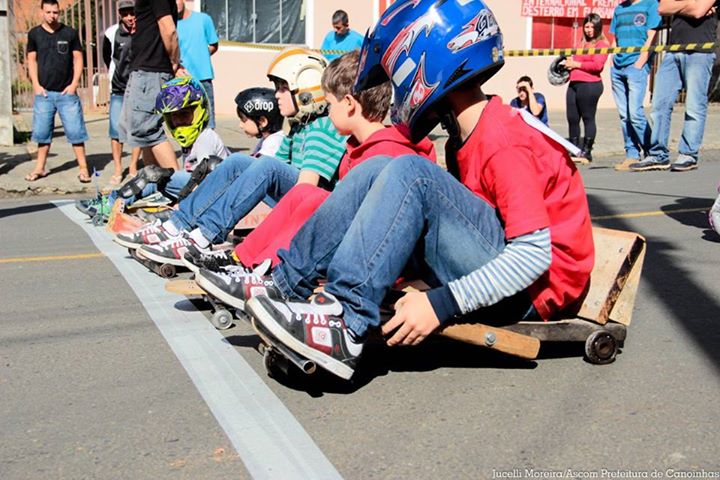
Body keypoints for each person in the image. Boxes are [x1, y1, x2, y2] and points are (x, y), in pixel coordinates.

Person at [241, 1, 594, 380]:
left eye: (398, 75)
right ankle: (285, 284)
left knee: (413, 171)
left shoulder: (503, 140)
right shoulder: (464, 138)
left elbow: (532, 257)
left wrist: (441, 303)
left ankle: (343, 320)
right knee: (381, 166)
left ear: (428, 63)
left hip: (533, 292)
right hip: (504, 272)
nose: (396, 91)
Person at [192, 50, 437, 308]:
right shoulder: (358, 147)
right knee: (307, 194)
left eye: (330, 104)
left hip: (385, 259)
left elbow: (386, 230)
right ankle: (246, 261)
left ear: (350, 105)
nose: (327, 112)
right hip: (358, 244)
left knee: (316, 199)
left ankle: (269, 270)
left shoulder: (389, 153)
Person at [115, 48, 347, 268]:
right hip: (296, 200)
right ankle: (179, 225)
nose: (277, 95)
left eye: (283, 88)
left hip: (317, 213)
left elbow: (304, 190)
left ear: (306, 90)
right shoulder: (299, 127)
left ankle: (203, 236)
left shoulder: (320, 128)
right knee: (237, 162)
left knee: (266, 166)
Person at [76, 77, 230, 219]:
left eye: (184, 114)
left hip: (219, 197)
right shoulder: (192, 142)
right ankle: (114, 201)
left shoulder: (206, 138)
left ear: (199, 111)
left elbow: (203, 182)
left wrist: (178, 207)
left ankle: (110, 205)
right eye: (173, 117)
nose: (178, 122)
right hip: (207, 193)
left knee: (151, 175)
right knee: (153, 179)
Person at [630, 0, 718, 172]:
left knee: (694, 106)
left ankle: (688, 154)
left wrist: (680, 7)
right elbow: (663, 8)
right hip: (673, 50)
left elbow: (699, 12)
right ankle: (657, 155)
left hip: (700, 50)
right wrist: (690, 5)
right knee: (659, 105)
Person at [25, 0, 91, 183]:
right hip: (44, 94)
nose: (52, 16)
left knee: (76, 132)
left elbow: (78, 59)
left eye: (55, 12)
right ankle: (40, 168)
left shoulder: (69, 33)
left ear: (59, 12)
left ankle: (84, 169)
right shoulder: (34, 34)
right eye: (48, 12)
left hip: (66, 94)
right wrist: (36, 86)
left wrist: (74, 84)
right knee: (42, 133)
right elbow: (31, 60)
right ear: (42, 12)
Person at [118, 0, 183, 171]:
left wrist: (175, 61)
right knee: (140, 133)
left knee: (147, 130)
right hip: (143, 70)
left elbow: (170, 31)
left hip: (151, 71)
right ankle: (154, 185)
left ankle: (181, 189)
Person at [609, 0, 662, 172]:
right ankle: (631, 154)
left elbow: (652, 36)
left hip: (635, 65)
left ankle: (652, 153)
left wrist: (640, 62)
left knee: (635, 113)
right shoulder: (619, 9)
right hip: (617, 67)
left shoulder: (651, 5)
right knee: (624, 115)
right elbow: (614, 38)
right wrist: (612, 61)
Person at [561, 13, 610, 163]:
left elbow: (597, 66)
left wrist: (576, 64)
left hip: (590, 85)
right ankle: (575, 149)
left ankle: (587, 151)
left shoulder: (602, 45)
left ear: (598, 27)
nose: (589, 30)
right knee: (572, 118)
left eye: (592, 27)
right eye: (586, 26)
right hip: (574, 83)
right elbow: (572, 60)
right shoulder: (580, 43)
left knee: (588, 117)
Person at [103, 0, 141, 185]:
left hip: (138, 89)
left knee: (136, 129)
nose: (129, 17)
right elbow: (106, 57)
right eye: (125, 14)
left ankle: (133, 166)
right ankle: (118, 168)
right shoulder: (111, 33)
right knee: (116, 131)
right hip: (118, 89)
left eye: (132, 13)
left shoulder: (144, 31)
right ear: (120, 14)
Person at [176, 0, 219, 128]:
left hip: (203, 79)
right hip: (180, 82)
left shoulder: (203, 19)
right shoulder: (168, 25)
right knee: (185, 122)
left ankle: (208, 147)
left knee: (207, 121)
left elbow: (213, 45)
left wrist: (201, 56)